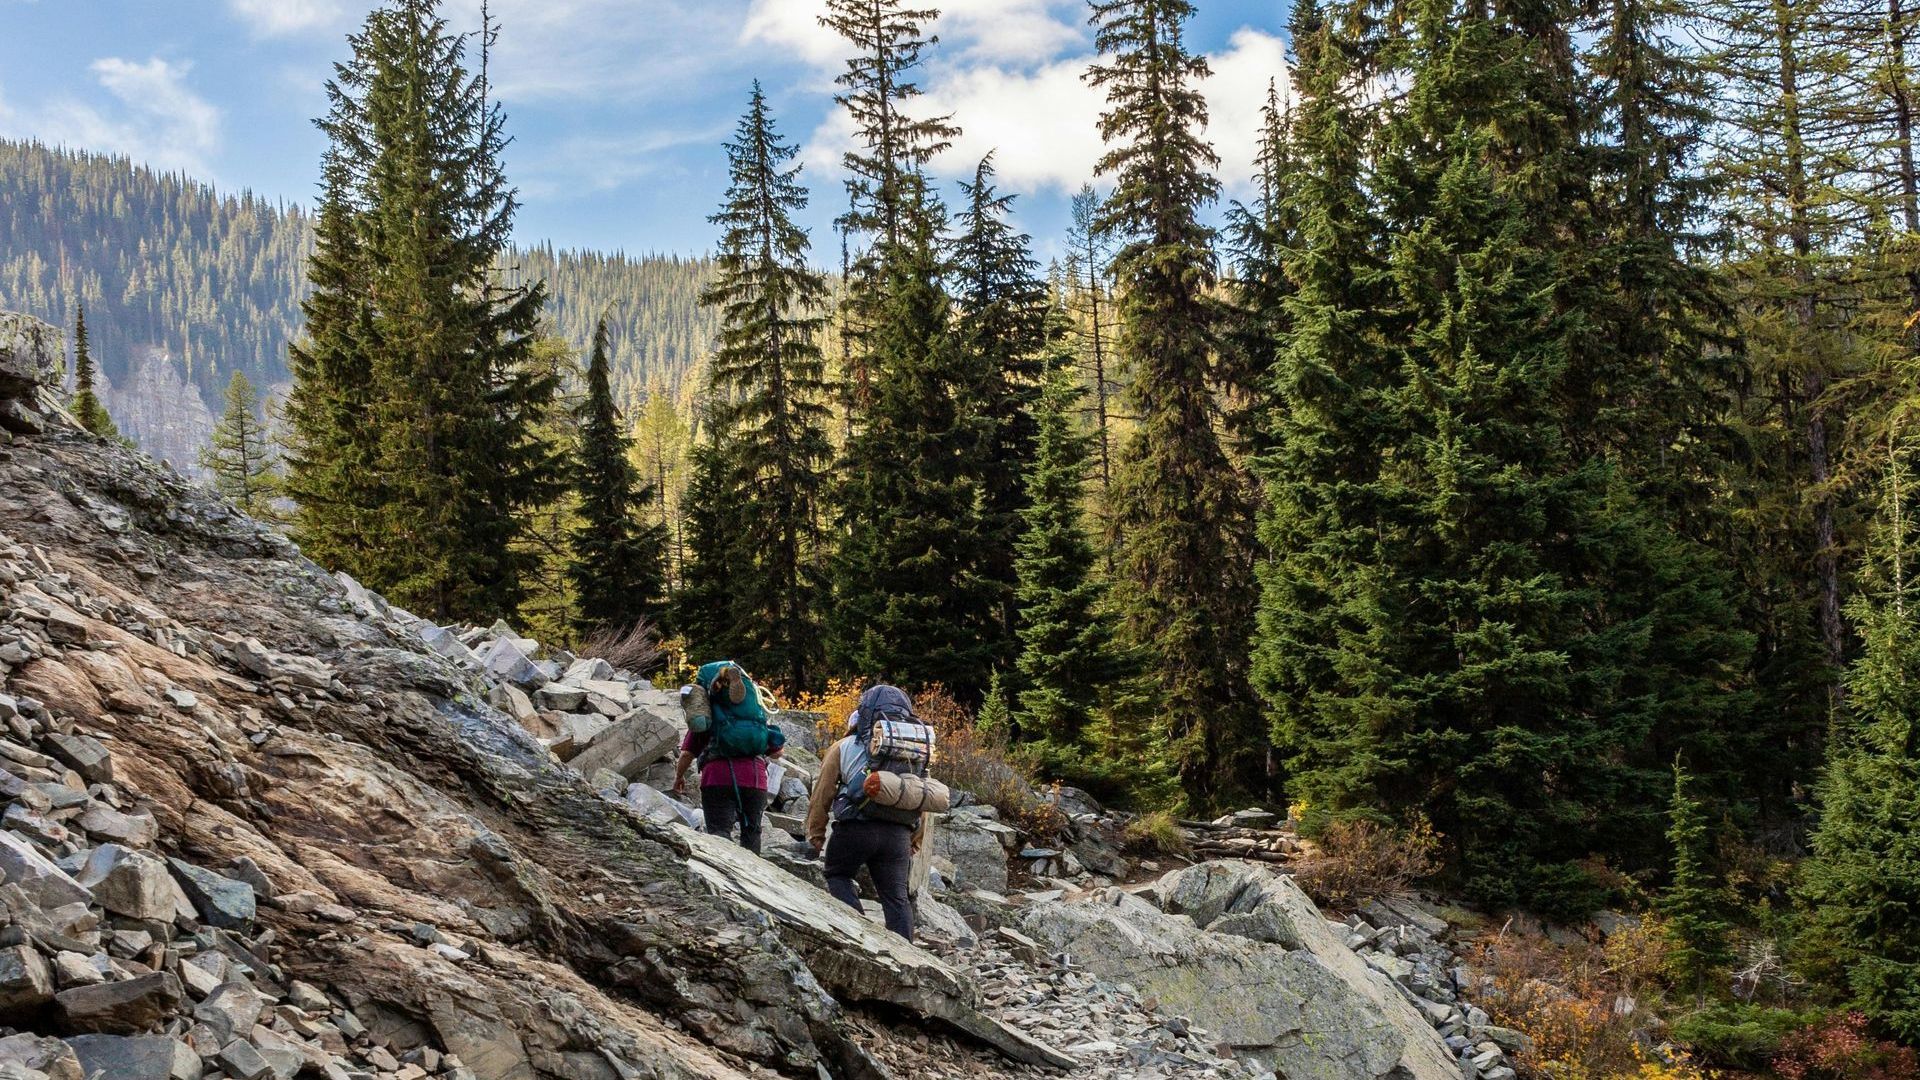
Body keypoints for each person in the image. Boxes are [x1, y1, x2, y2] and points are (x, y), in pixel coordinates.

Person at [805, 684, 929, 941]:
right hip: (898, 835)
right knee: (896, 898)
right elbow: (920, 795)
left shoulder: (844, 746)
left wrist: (815, 833)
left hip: (855, 828)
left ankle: (858, 937)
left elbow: (823, 793)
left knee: (837, 875)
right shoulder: (913, 751)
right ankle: (907, 961)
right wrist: (915, 840)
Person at [671, 662, 784, 854]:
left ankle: (725, 879)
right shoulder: (754, 713)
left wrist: (679, 777)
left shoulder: (707, 716)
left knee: (719, 833)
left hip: (718, 777)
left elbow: (687, 753)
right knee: (752, 832)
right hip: (755, 779)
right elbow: (777, 752)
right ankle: (752, 880)